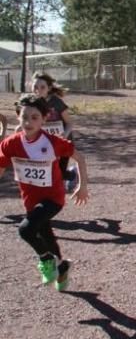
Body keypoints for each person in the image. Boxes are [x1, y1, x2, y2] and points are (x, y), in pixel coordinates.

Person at [0, 93, 90, 292]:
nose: (28, 122)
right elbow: (1, 166)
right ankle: (62, 266)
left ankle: (47, 261)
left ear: (44, 119)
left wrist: (82, 186)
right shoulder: (10, 143)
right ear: (17, 116)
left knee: (25, 230)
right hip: (31, 200)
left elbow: (80, 158)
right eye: (24, 117)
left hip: (53, 198)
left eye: (34, 117)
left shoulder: (53, 142)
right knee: (46, 235)